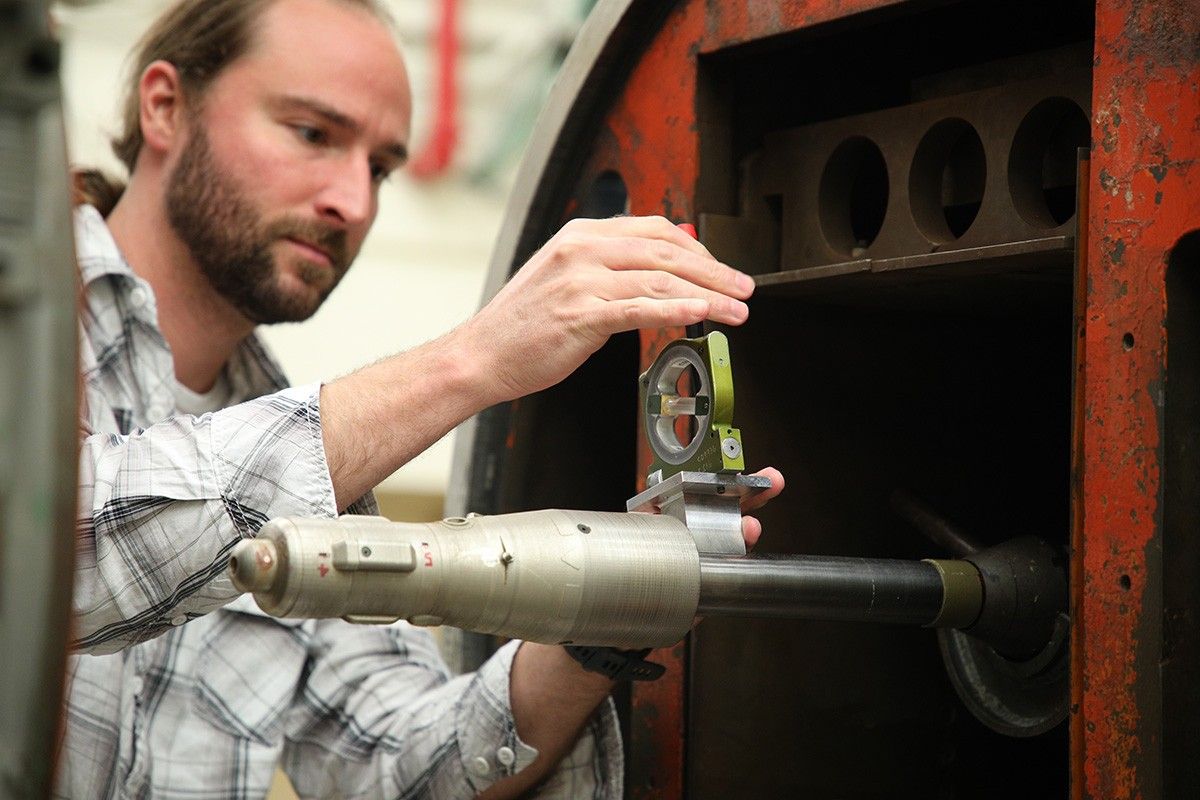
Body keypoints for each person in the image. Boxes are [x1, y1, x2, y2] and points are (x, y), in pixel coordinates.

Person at [61, 0, 783, 797]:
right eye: (313, 133)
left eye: (379, 168)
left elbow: (398, 765)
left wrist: (617, 600)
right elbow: (58, 562)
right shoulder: (20, 326)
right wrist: (474, 359)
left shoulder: (298, 467)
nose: (354, 203)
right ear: (165, 106)